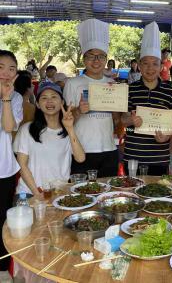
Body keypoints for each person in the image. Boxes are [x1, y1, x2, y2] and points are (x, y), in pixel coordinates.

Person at [121, 22, 172, 176]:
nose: (150, 68)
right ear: (139, 66)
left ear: (161, 66)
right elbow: (123, 118)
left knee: (157, 197)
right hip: (133, 156)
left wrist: (167, 134)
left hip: (159, 157)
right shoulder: (130, 89)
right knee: (132, 196)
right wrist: (130, 121)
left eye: (155, 63)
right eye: (145, 63)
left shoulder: (169, 91)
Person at [63, 18, 119, 176]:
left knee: (109, 197)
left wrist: (119, 109)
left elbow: (117, 120)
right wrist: (79, 111)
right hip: (82, 150)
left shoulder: (112, 84)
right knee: (82, 197)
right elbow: (66, 120)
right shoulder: (73, 83)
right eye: (91, 56)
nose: (96, 61)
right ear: (84, 59)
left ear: (106, 60)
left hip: (109, 149)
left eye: (101, 56)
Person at [14, 82, 85, 197]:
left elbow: (80, 158)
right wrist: (38, 194)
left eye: (54, 97)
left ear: (62, 102)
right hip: (29, 193)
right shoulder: (27, 129)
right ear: (37, 104)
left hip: (59, 193)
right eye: (44, 98)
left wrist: (70, 128)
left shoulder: (68, 131)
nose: (49, 101)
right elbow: (22, 165)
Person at [0, 50, 23, 272]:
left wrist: (6, 97)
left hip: (3, 170)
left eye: (11, 68)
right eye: (0, 67)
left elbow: (8, 127)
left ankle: (1, 270)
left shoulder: (15, 98)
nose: (6, 73)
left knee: (2, 222)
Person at [13, 72, 35, 140]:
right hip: (20, 141)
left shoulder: (10, 103)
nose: (33, 85)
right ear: (28, 88)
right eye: (31, 84)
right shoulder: (30, 107)